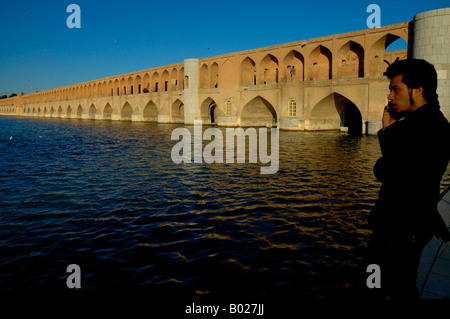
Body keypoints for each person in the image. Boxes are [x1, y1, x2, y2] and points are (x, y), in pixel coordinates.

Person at [367, 59, 450, 300]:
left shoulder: (418, 127)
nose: (390, 96)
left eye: (396, 89)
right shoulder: (435, 122)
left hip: (400, 227)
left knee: (389, 287)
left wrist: (388, 130)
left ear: (418, 89)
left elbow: (384, 171)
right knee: (400, 284)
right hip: (412, 224)